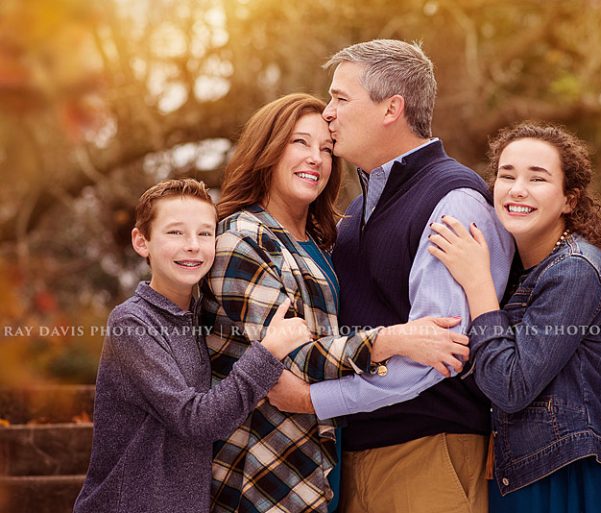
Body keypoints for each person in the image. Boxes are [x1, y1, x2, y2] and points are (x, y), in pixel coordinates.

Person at [266, 40, 514, 513]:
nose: (328, 113)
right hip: (355, 455)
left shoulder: (452, 201)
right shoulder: (358, 212)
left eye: (341, 98)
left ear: (391, 108)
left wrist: (312, 399)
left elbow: (434, 353)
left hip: (428, 452)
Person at [202, 93, 471, 513]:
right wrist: (394, 340)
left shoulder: (327, 243)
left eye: (326, 148)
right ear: (267, 150)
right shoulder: (240, 239)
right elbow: (285, 359)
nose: (316, 158)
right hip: (262, 469)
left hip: (323, 463)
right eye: (299, 143)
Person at [428, 121, 601, 512]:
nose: (517, 188)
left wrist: (476, 283)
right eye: (507, 175)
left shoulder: (575, 271)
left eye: (537, 178)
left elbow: (510, 386)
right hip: (524, 475)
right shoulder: (520, 272)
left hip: (572, 480)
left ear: (569, 200)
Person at [73, 179, 310, 513]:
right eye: (175, 233)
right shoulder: (131, 323)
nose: (193, 246)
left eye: (204, 233)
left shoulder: (204, 319)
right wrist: (268, 352)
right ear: (142, 242)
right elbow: (196, 421)